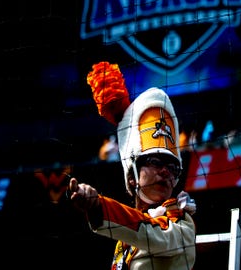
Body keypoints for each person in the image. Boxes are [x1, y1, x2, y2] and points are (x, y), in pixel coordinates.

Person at [69, 63, 197, 269]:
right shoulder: (124, 241)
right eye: (155, 162)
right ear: (132, 177)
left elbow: (151, 234)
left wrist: (98, 206)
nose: (165, 172)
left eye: (172, 167)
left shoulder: (182, 223)